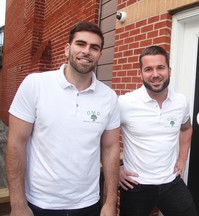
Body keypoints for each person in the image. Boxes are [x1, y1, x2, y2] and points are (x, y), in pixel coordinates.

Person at [5, 21, 120, 216]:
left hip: (88, 204)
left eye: (94, 47)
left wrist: (110, 203)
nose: (87, 51)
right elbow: (16, 143)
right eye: (80, 44)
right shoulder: (35, 85)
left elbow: (110, 149)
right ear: (67, 49)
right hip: (40, 203)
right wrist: (17, 204)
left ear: (100, 55)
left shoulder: (109, 97)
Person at [118, 45, 198, 216]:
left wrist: (182, 158)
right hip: (135, 185)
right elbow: (100, 135)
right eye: (148, 69)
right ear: (140, 73)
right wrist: (116, 169)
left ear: (169, 70)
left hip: (171, 181)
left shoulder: (181, 102)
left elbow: (186, 128)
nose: (155, 74)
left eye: (160, 67)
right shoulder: (125, 103)